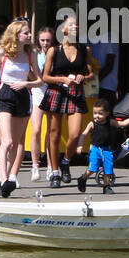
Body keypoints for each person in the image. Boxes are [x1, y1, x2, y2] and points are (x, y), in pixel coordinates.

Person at [0, 19, 42, 197]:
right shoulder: (2, 52)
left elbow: (40, 80)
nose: (29, 35)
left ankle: (10, 177)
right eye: (26, 33)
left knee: (18, 142)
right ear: (16, 35)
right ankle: (3, 179)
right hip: (6, 95)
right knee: (7, 141)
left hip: (23, 96)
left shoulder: (29, 54)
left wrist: (27, 83)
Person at [39, 17, 91, 187]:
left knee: (75, 134)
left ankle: (66, 161)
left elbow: (92, 73)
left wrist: (84, 77)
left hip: (75, 93)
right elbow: (45, 77)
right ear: (63, 30)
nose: (76, 26)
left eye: (77, 24)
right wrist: (61, 79)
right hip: (57, 92)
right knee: (54, 133)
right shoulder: (54, 50)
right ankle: (54, 172)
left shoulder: (84, 49)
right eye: (71, 24)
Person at [75, 98, 129, 194]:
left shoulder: (110, 122)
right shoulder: (92, 124)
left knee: (108, 168)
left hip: (107, 149)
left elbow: (122, 124)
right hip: (95, 149)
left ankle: (106, 186)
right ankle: (83, 178)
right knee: (92, 168)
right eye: (95, 113)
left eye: (100, 113)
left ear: (107, 113)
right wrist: (80, 146)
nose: (97, 116)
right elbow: (83, 134)